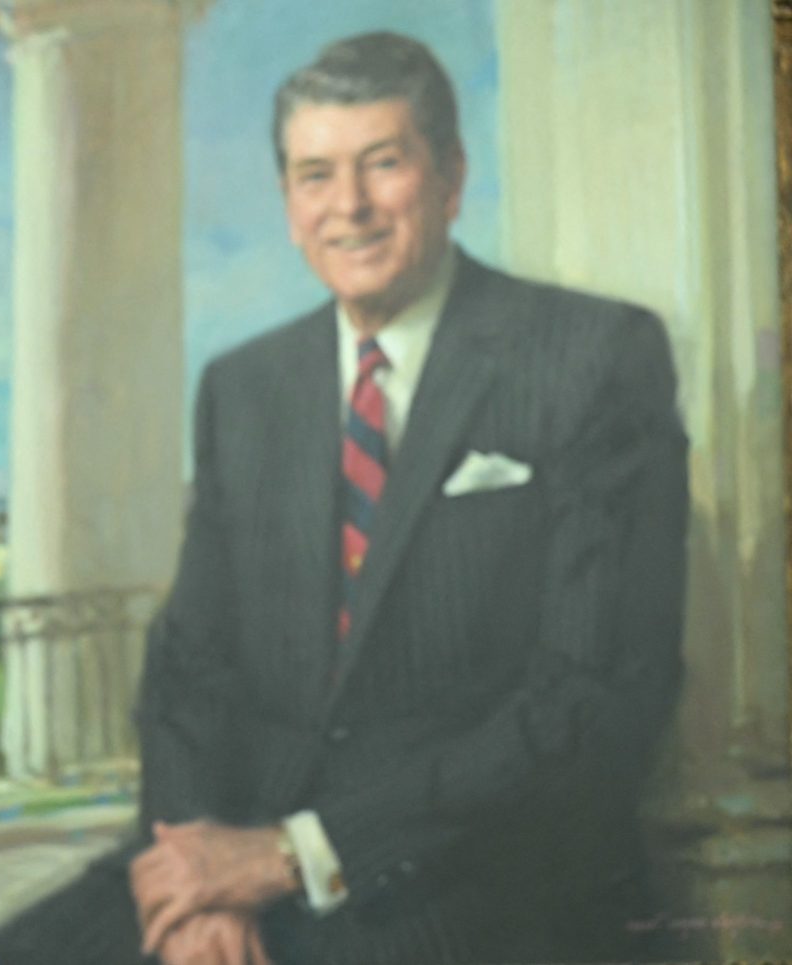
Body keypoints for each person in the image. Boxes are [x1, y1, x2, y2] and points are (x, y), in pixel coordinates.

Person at [128, 31, 688, 965]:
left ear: (451, 177)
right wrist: (197, 879)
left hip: (485, 881)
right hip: (249, 872)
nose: (348, 206)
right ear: (289, 204)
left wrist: (296, 854)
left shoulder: (592, 358)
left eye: (382, 163)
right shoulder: (244, 387)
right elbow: (189, 664)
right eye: (316, 175)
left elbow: (590, 698)